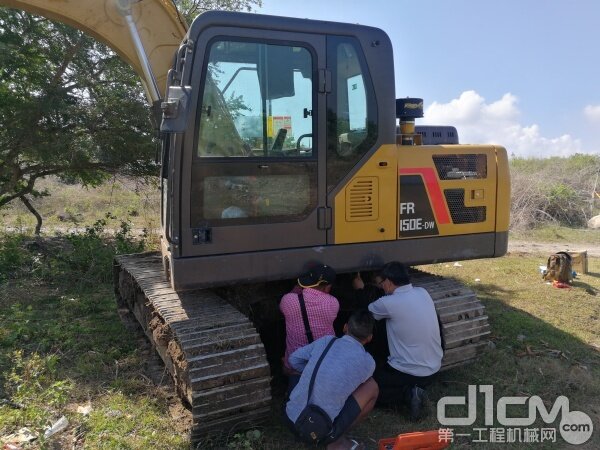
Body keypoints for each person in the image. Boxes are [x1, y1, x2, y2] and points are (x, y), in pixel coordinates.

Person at [285, 310, 378, 450]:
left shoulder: (327, 340)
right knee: (372, 387)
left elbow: (293, 360)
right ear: (369, 338)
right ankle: (336, 439)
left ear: (345, 327)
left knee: (296, 370)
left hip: (291, 419)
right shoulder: (368, 362)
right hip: (319, 431)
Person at [368, 261, 443, 420]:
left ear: (388, 282)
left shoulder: (387, 303)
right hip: (434, 369)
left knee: (367, 387)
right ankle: (416, 388)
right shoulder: (423, 292)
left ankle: (408, 394)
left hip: (408, 372)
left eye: (381, 283)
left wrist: (361, 290)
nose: (381, 287)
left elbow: (365, 315)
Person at [280, 264, 339, 390]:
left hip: (296, 366)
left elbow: (284, 306)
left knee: (287, 361)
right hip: (322, 363)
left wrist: (296, 290)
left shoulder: (288, 300)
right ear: (328, 287)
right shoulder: (333, 303)